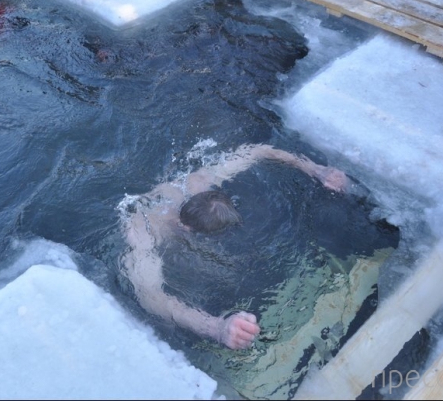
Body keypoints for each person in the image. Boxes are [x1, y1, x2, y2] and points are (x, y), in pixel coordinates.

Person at [120, 143, 350, 350]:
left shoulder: (197, 182)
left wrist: (315, 169)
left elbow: (257, 151)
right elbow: (150, 296)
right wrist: (215, 328)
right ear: (186, 228)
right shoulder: (143, 232)